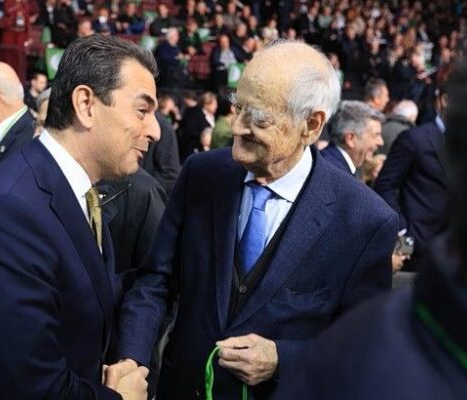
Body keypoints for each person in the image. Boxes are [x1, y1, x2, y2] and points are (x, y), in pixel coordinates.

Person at [109, 41, 397, 399]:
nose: (238, 127)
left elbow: (362, 347)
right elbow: (156, 282)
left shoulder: (364, 221)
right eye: (238, 107)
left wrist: (282, 359)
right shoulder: (201, 174)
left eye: (259, 118)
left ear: (311, 125)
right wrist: (133, 360)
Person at [277, 2, 467, 398]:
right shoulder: (351, 364)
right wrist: (402, 230)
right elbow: (388, 186)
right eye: (373, 135)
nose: (378, 141)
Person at [0, 34, 159, 400]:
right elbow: (34, 385)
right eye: (141, 110)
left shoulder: (73, 191)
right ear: (86, 104)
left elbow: (79, 299)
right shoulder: (7, 213)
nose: (155, 130)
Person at [374, 88, 448, 272]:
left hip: (453, 252)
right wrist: (402, 234)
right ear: (444, 100)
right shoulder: (414, 138)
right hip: (413, 247)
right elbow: (384, 185)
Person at [321, 100, 385, 177]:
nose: (381, 142)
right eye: (376, 135)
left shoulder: (329, 163)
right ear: (350, 138)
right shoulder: (334, 174)